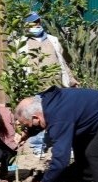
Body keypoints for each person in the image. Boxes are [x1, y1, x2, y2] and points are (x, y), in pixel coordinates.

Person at [21, 12, 80, 155]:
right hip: (35, 87)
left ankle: (64, 144)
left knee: (61, 116)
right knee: (37, 116)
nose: (37, 25)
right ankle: (38, 147)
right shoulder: (22, 43)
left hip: (56, 86)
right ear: (26, 26)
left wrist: (71, 80)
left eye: (38, 21)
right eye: (33, 23)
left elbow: (62, 62)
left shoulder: (53, 40)